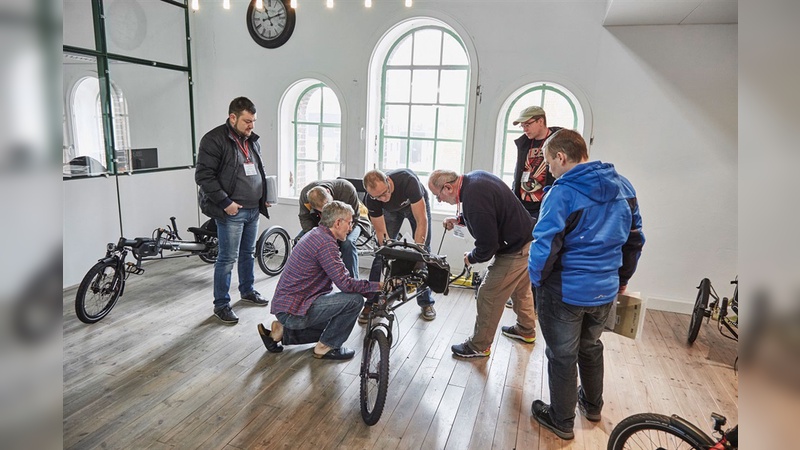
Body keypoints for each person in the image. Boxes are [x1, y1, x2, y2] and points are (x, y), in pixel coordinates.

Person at [527, 129, 645, 440]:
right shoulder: (624, 186)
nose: (548, 170)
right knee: (591, 347)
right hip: (604, 290)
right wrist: (622, 280)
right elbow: (635, 240)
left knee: (562, 355)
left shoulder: (562, 193)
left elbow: (545, 245)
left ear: (561, 157)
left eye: (549, 162)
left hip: (565, 291)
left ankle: (561, 420)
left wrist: (536, 282)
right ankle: (592, 406)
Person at [428, 169, 537, 358]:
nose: (439, 201)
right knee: (520, 288)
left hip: (515, 249)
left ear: (448, 187)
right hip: (528, 240)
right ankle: (526, 330)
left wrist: (471, 257)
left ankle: (479, 345)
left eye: (438, 196)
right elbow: (489, 214)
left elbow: (487, 246)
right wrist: (459, 220)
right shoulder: (474, 180)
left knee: (488, 294)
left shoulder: (473, 199)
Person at [257, 201, 381, 360]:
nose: (350, 228)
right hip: (294, 312)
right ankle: (326, 347)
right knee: (355, 301)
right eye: (349, 223)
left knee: (337, 319)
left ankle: (283, 332)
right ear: (337, 223)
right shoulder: (326, 243)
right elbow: (345, 284)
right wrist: (379, 286)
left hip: (288, 308)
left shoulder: (316, 233)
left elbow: (341, 278)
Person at [195, 97, 272, 325]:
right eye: (248, 121)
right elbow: (203, 177)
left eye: (254, 121)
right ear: (233, 118)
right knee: (227, 259)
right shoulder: (213, 140)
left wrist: (264, 195)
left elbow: (257, 169)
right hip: (231, 211)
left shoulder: (251, 141)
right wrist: (226, 202)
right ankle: (221, 304)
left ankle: (247, 291)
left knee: (248, 254)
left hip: (252, 210)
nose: (252, 126)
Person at [506, 106, 564, 309]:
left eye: (528, 124)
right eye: (522, 125)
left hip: (545, 207)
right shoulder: (524, 144)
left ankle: (536, 301)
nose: (524, 129)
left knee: (542, 251)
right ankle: (522, 297)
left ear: (541, 121)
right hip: (523, 205)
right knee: (521, 251)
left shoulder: (558, 141)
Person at [362, 168, 436, 322]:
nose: (384, 198)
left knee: (424, 253)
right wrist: (389, 253)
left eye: (385, 192)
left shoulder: (408, 181)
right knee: (381, 254)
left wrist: (418, 251)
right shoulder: (373, 199)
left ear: (388, 181)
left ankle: (426, 302)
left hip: (414, 205)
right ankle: (371, 302)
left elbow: (422, 220)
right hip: (391, 212)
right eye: (378, 196)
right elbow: (381, 234)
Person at [297, 179, 362, 278]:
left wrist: (336, 235)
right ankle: (304, 278)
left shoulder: (346, 189)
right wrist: (315, 237)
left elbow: (355, 218)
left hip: (352, 223)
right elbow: (304, 218)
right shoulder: (305, 195)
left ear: (328, 192)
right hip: (323, 225)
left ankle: (353, 282)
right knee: (301, 239)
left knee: (347, 243)